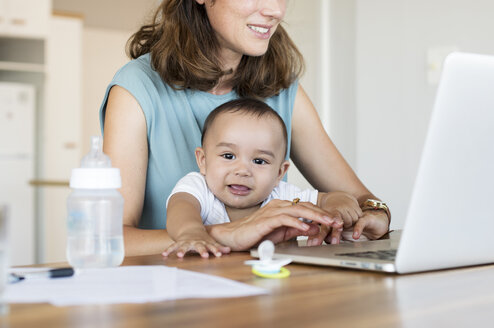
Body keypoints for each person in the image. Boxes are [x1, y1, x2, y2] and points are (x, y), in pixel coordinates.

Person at [100, 0, 390, 256]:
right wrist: (229, 234)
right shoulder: (137, 89)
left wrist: (376, 213)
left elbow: (361, 199)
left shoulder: (282, 88)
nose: (275, 10)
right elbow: (111, 241)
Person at [163, 98, 367, 258]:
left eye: (259, 161)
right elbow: (181, 207)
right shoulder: (198, 187)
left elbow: (331, 199)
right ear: (203, 161)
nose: (243, 170)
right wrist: (191, 233)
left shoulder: (283, 197)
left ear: (280, 172)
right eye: (228, 156)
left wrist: (337, 209)